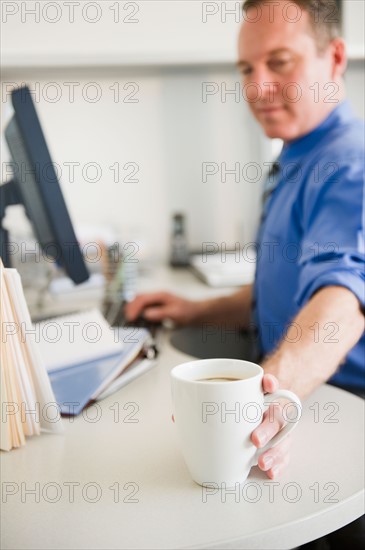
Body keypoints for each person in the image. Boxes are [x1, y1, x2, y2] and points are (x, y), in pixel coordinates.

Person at [127, 0, 364, 511]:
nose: (256, 88)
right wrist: (197, 310)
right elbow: (282, 291)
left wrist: (269, 401)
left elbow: (342, 299)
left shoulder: (350, 166)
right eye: (245, 68)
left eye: (279, 62)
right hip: (301, 393)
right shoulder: (297, 155)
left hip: (338, 413)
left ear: (336, 58)